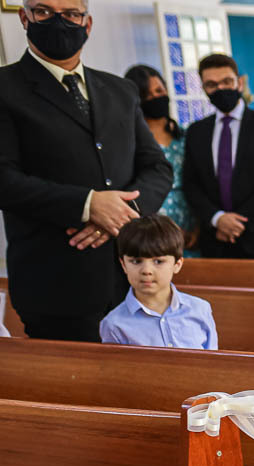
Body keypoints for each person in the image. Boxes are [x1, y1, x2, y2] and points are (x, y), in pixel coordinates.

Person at [0, 0, 172, 342]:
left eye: (71, 14)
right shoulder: (6, 88)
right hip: (56, 282)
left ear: (87, 23)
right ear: (24, 17)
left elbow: (157, 167)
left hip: (134, 276)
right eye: (44, 11)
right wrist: (87, 204)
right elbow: (4, 178)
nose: (59, 22)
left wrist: (121, 213)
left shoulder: (121, 90)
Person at [182, 53, 254, 261]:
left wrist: (236, 223)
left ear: (239, 83)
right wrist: (218, 219)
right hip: (215, 240)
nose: (221, 88)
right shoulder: (196, 132)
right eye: (212, 85)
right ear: (204, 89)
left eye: (227, 81)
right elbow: (191, 184)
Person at [99, 214, 216, 349]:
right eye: (136, 261)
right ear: (124, 265)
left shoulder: (200, 310)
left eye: (158, 261)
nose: (146, 270)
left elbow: (212, 359)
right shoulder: (114, 324)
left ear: (177, 264)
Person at [125, 64, 195, 246]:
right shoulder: (132, 142)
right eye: (147, 95)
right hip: (151, 225)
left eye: (159, 91)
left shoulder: (185, 136)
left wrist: (199, 226)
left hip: (192, 220)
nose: (155, 98)